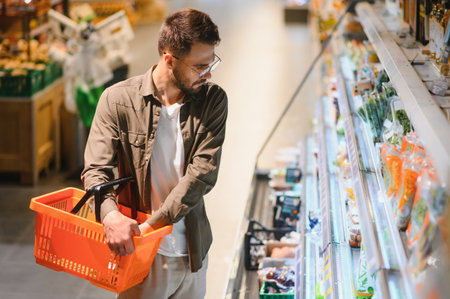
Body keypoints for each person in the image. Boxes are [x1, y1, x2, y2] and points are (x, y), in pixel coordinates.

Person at [81, 8, 227, 299]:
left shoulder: (213, 100)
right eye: (199, 66)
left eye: (211, 64)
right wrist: (110, 217)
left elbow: (202, 174)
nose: (207, 73)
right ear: (169, 59)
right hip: (144, 255)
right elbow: (96, 170)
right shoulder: (118, 100)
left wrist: (152, 225)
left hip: (193, 252)